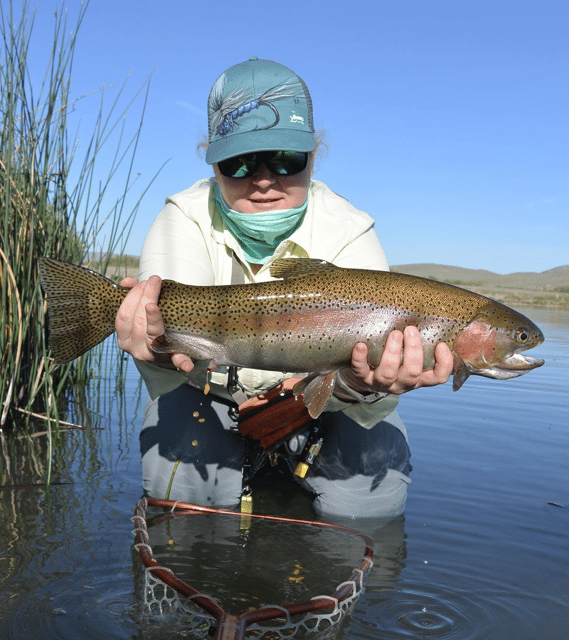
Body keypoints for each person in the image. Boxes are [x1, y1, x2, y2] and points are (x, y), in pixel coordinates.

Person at [115, 58, 453, 519]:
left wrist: (353, 385)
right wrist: (153, 345)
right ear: (212, 161)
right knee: (188, 509)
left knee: (369, 508)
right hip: (208, 395)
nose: (264, 180)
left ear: (314, 155)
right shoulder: (183, 219)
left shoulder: (351, 231)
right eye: (239, 162)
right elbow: (172, 344)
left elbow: (373, 379)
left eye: (286, 160)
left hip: (334, 402)